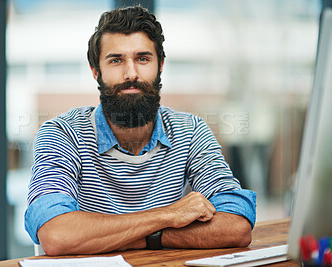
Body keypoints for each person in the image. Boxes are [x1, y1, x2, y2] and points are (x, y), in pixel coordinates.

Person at [25, 5, 256, 256]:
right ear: (96, 71)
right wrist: (169, 215)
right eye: (116, 60)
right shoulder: (61, 134)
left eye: (142, 58)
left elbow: (236, 226)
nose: (131, 73)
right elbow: (57, 235)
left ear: (160, 66)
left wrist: (139, 236)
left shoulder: (191, 131)